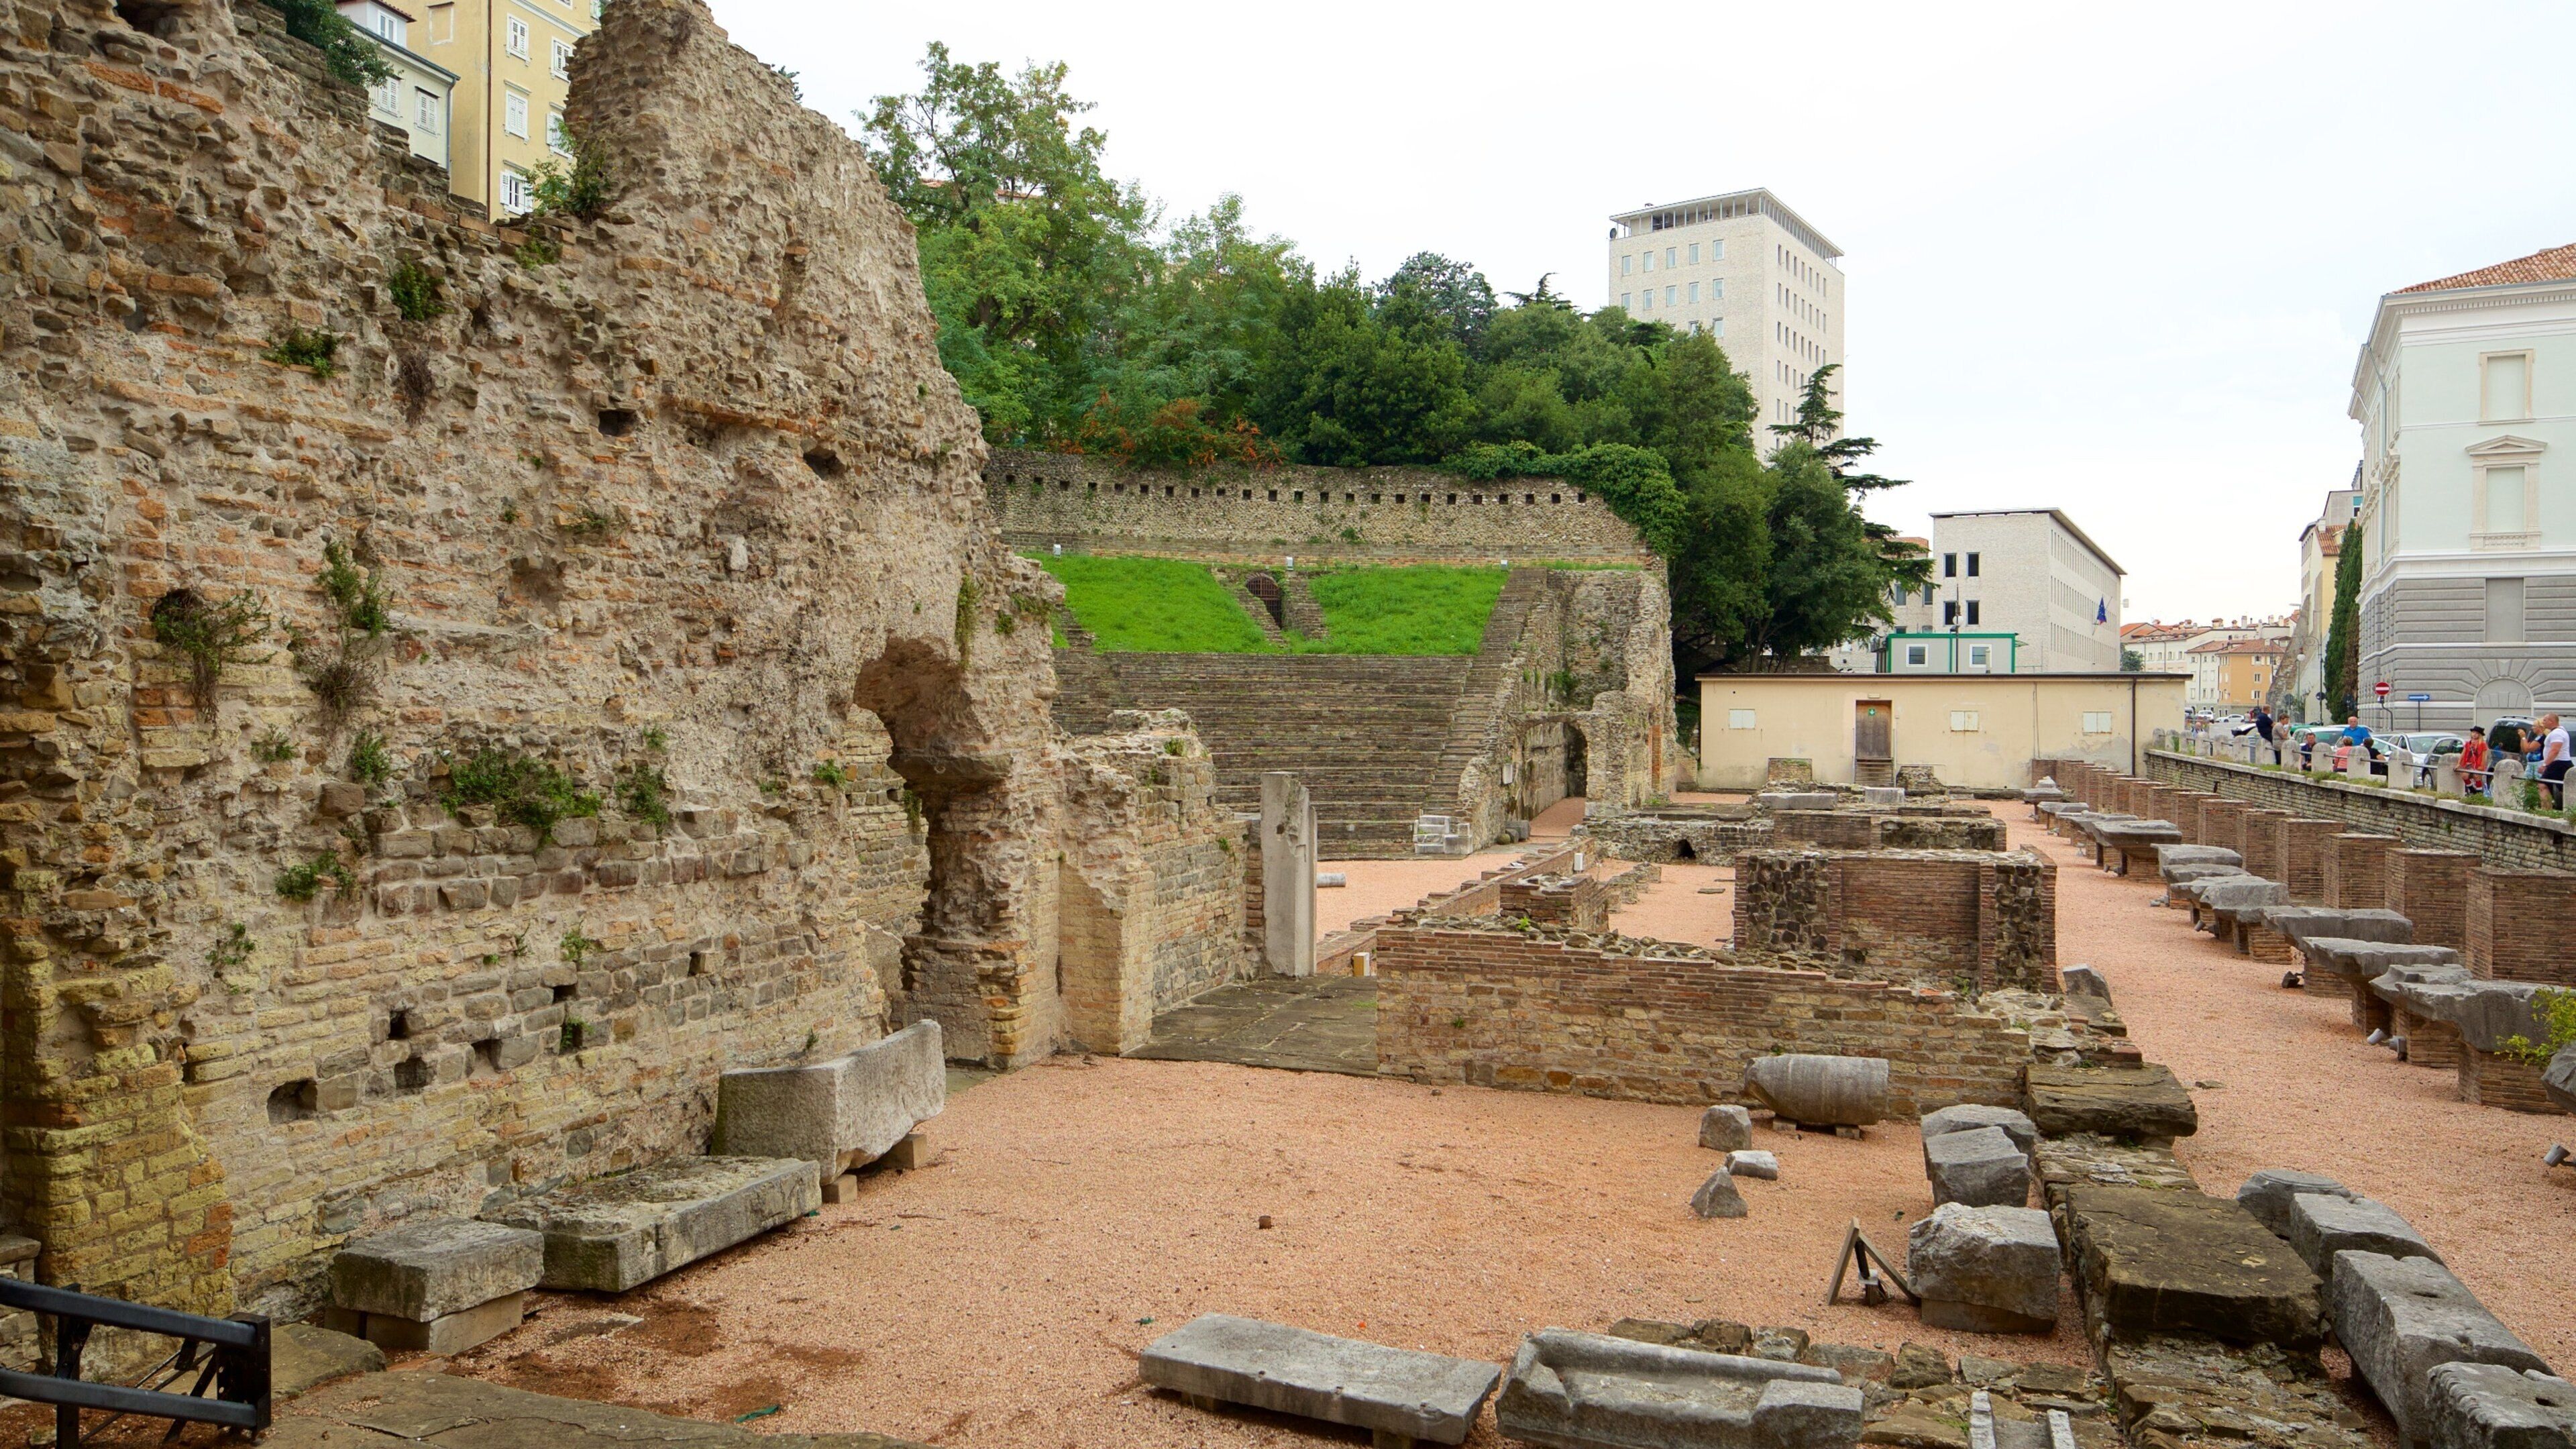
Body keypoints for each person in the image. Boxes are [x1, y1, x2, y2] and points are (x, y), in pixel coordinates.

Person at [2542, 713, 2571, 809]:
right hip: (2560, 763)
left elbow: (2555, 750)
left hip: (2558, 763)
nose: (2543, 722)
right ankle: (2570, 809)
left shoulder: (2557, 733)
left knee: (2543, 784)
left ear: (2551, 721)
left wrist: (2545, 764)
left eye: (2545, 720)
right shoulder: (2556, 732)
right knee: (2564, 788)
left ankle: (2546, 809)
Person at [2459, 727, 2491, 799]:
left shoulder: (2482, 744)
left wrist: (2482, 766)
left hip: (2478, 765)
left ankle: (2479, 794)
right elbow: (2463, 754)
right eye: (2473, 732)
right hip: (2469, 764)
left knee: (2477, 777)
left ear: (2480, 735)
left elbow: (2484, 757)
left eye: (2477, 733)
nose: (2474, 734)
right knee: (2464, 776)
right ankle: (2472, 790)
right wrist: (2459, 764)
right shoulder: (2468, 743)